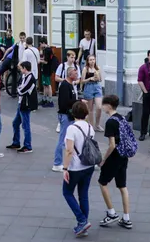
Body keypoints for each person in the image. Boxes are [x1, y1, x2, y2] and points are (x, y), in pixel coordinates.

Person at [98, 94, 132, 229]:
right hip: (124, 156)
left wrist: (103, 159)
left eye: (103, 104)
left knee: (102, 182)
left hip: (115, 156)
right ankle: (126, 218)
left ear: (108, 106)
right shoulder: (122, 118)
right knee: (122, 186)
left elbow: (112, 144)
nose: (102, 106)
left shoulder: (110, 122)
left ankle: (111, 213)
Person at [62, 101, 96, 237]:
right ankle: (84, 225)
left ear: (73, 113)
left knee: (67, 193)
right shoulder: (89, 127)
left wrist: (65, 168)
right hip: (88, 165)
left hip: (75, 167)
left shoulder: (72, 128)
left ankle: (82, 220)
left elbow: (69, 150)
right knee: (83, 195)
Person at [6, 62, 37, 154]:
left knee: (25, 125)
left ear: (25, 68)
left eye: (21, 68)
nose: (20, 69)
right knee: (15, 123)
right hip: (21, 103)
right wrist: (19, 89)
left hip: (25, 104)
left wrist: (19, 89)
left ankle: (28, 146)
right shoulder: (25, 77)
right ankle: (16, 142)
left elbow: (21, 90)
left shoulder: (30, 77)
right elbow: (20, 87)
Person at [53, 65, 79, 172]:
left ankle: (73, 160)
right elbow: (65, 103)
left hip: (69, 115)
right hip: (65, 115)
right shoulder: (65, 85)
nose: (77, 74)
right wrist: (78, 103)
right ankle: (57, 163)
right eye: (75, 73)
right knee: (63, 139)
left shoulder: (71, 84)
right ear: (70, 74)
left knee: (70, 139)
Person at [80, 55, 103, 131]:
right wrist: (90, 78)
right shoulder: (85, 69)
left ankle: (97, 124)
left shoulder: (97, 68)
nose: (92, 61)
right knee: (90, 109)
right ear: (88, 61)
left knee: (99, 107)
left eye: (93, 59)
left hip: (97, 87)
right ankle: (91, 126)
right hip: (89, 87)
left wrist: (97, 77)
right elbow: (82, 81)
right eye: (90, 60)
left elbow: (100, 79)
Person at [39, 41, 57, 108]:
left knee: (48, 85)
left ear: (43, 43)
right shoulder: (49, 49)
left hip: (46, 70)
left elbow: (46, 62)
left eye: (40, 44)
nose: (40, 46)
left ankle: (50, 101)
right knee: (45, 85)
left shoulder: (46, 50)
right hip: (48, 69)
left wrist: (39, 60)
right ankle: (45, 99)